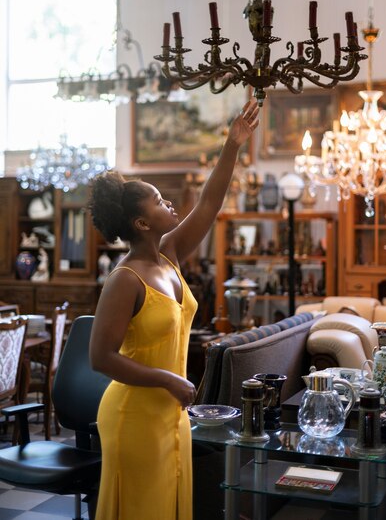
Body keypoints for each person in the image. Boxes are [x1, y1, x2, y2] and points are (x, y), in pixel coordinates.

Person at [88, 99, 259, 520]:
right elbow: (100, 357)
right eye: (160, 203)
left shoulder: (171, 254)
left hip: (170, 411)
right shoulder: (124, 279)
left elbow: (208, 205)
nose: (171, 207)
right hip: (134, 415)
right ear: (141, 224)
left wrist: (232, 147)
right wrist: (168, 379)